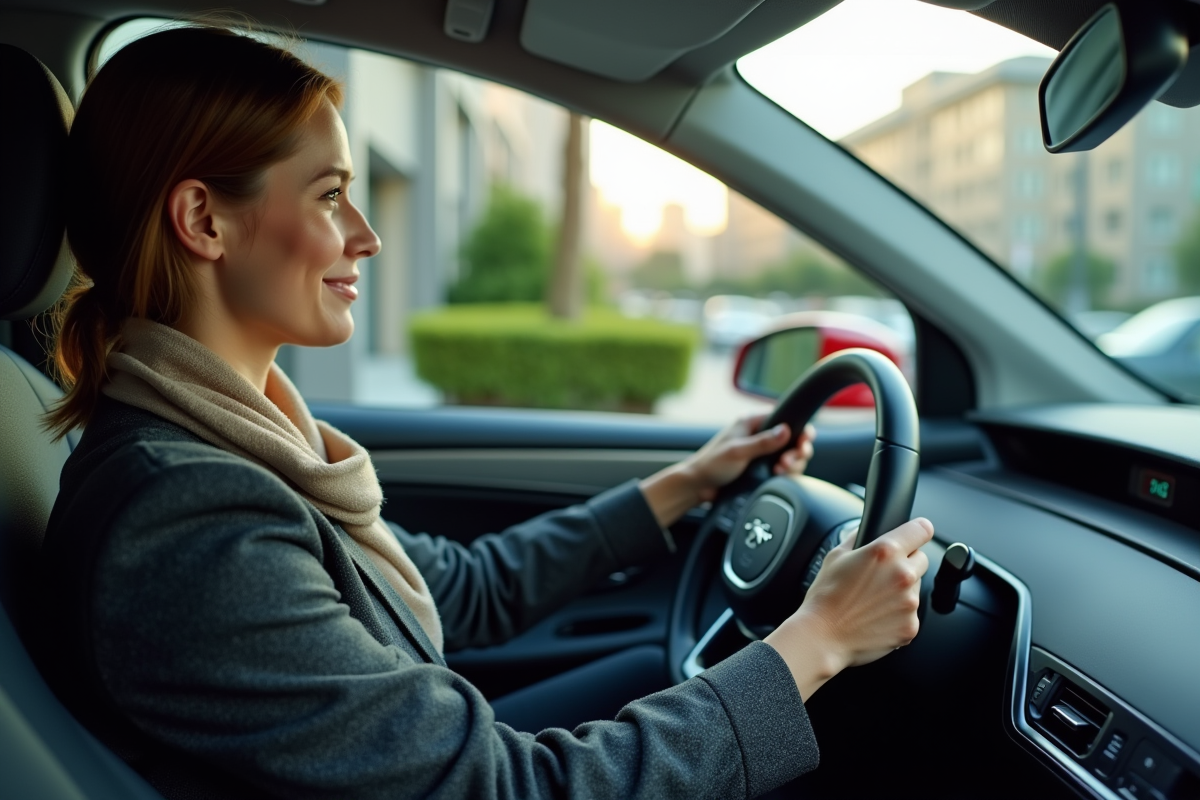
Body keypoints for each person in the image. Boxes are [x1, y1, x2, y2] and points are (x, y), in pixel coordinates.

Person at [35, 24, 933, 800]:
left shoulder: (241, 441)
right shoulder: (194, 525)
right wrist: (817, 640)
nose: (367, 234)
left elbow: (459, 592)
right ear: (204, 220)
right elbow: (507, 789)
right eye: (327, 195)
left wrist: (683, 486)